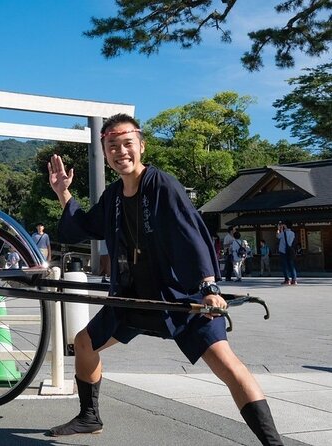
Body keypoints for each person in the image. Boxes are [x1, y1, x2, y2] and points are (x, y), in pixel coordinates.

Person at [46, 113, 282, 445]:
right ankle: (89, 416)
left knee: (228, 367)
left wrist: (208, 287)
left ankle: (273, 443)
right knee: (84, 343)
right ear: (105, 151)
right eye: (112, 146)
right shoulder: (113, 196)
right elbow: (82, 226)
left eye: (127, 144)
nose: (121, 152)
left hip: (176, 297)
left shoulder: (162, 186)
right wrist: (63, 194)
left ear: (141, 146)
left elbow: (191, 235)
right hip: (132, 298)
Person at [277, 220, 297, 285]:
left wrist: (278, 229)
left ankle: (287, 280)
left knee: (284, 266)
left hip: (283, 251)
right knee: (291, 265)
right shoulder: (292, 233)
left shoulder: (283, 233)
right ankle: (294, 280)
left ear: (285, 225)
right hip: (289, 250)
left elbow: (277, 236)